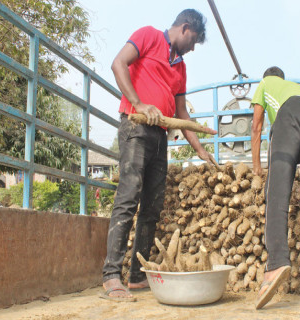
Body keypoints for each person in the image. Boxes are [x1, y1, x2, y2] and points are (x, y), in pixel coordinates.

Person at [101, 9, 216, 302]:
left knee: (152, 206)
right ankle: (111, 275)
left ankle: (138, 276)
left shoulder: (180, 67)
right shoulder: (148, 36)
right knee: (128, 197)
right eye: (194, 41)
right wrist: (138, 104)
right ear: (185, 27)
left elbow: (181, 113)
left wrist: (200, 149)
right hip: (135, 127)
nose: (192, 48)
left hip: (160, 137)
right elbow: (118, 64)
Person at [251, 67, 300, 309]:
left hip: (290, 116)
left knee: (277, 193)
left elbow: (256, 125)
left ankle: (275, 263)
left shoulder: (265, 84)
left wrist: (256, 166)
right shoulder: (297, 88)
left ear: (268, 77)